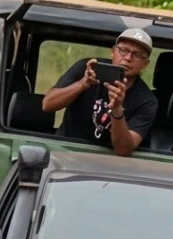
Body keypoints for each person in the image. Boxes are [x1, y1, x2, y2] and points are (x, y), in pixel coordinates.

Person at [41, 28, 158, 156]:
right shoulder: (87, 68)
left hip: (106, 162)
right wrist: (82, 84)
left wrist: (117, 109)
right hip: (64, 152)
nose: (128, 58)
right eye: (123, 50)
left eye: (136, 55)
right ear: (113, 52)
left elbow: (124, 150)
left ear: (145, 64)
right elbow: (47, 105)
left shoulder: (147, 101)